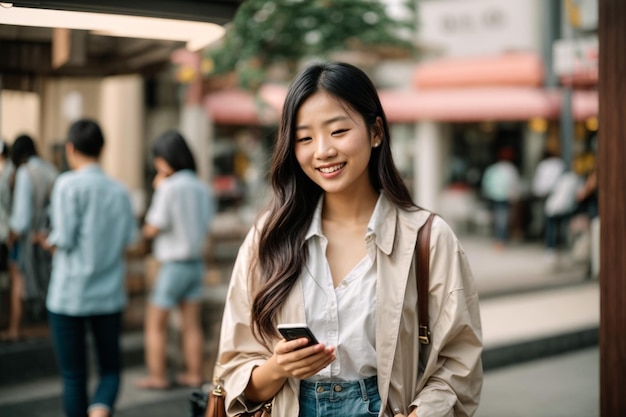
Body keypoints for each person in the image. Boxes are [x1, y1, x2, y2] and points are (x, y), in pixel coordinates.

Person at [215, 62, 483, 417]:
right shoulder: (268, 237)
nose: (322, 151)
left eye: (338, 131)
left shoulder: (427, 238)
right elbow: (232, 369)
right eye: (304, 138)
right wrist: (279, 367)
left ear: (376, 132)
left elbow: (459, 362)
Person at [44, 119, 138, 417]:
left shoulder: (66, 184)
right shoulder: (120, 190)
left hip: (68, 294)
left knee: (74, 376)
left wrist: (48, 242)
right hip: (108, 293)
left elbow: (65, 238)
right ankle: (100, 411)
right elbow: (130, 240)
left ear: (70, 148)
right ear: (102, 149)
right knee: (110, 370)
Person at [136, 130, 215, 390]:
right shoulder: (202, 187)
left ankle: (158, 376)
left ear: (165, 158)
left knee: (155, 323)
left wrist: (158, 188)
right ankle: (194, 373)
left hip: (172, 266)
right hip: (195, 264)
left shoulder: (168, 187)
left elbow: (153, 227)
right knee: (192, 324)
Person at [5, 134, 57, 341]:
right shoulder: (50, 170)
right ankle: (49, 329)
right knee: (48, 280)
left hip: (28, 239)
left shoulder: (26, 173)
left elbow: (22, 217)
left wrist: (13, 235)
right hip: (47, 236)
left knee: (19, 281)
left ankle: (15, 329)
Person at [480, 147, 520, 249]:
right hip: (501, 197)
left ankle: (500, 239)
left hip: (497, 196)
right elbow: (514, 184)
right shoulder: (508, 169)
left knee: (500, 218)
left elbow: (486, 182)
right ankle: (500, 239)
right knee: (502, 218)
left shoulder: (495, 168)